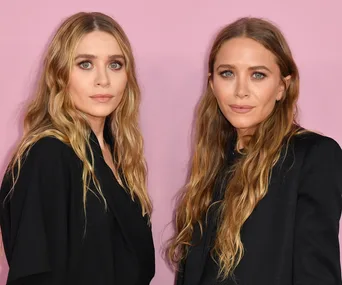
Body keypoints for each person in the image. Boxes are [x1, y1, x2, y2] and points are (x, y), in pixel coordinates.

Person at [167, 17, 342, 285]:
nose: (240, 91)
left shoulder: (314, 156)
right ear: (212, 84)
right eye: (228, 73)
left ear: (282, 87)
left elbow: (317, 276)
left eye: (257, 75)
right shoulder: (213, 161)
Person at [0, 12, 155, 285]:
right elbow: (33, 274)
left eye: (115, 65)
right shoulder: (47, 155)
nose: (103, 79)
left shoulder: (117, 154)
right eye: (85, 64)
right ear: (59, 74)